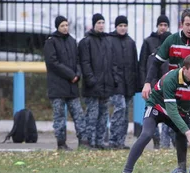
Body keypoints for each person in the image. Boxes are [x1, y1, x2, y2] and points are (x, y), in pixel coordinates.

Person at [119, 54, 190, 173]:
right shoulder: (170, 79)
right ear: (184, 69)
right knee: (146, 135)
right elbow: (171, 110)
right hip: (157, 108)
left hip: (179, 112)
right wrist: (188, 133)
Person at [142, 8, 190, 173]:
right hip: (172, 93)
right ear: (181, 24)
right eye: (188, 24)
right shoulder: (171, 40)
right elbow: (155, 63)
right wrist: (147, 83)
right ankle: (182, 168)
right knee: (181, 130)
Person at [43, 15, 87, 150]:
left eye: (66, 25)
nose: (65, 28)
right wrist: (70, 75)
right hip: (57, 87)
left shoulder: (72, 41)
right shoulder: (51, 42)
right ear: (57, 27)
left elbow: (78, 61)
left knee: (79, 115)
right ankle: (61, 143)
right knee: (59, 117)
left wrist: (77, 75)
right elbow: (53, 63)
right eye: (62, 25)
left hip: (72, 87)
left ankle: (83, 141)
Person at [78, 13, 119, 149]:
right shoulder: (87, 41)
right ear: (94, 25)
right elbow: (85, 63)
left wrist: (114, 79)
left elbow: (113, 61)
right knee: (92, 114)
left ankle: (100, 141)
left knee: (103, 115)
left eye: (103, 23)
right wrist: (91, 80)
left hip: (106, 85)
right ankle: (90, 141)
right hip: (93, 86)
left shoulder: (108, 41)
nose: (101, 25)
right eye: (98, 23)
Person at [139, 14, 170, 149]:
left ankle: (165, 142)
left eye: (165, 25)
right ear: (157, 26)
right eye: (161, 25)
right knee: (152, 112)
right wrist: (144, 83)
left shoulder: (171, 40)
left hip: (167, 83)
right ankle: (156, 140)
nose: (163, 27)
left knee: (168, 112)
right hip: (152, 84)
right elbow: (142, 64)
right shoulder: (148, 42)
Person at [108, 15, 139, 149]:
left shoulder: (130, 42)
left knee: (126, 113)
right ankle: (112, 139)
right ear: (116, 27)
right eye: (120, 26)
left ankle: (121, 141)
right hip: (116, 83)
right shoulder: (110, 40)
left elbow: (134, 64)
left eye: (125, 26)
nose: (123, 28)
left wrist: (135, 83)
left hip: (128, 84)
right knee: (120, 108)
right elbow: (109, 62)